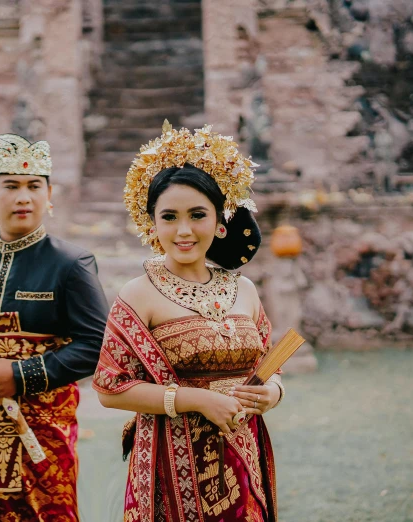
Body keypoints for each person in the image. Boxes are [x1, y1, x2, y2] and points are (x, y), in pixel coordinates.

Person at [93, 122, 285, 522]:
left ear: (220, 222)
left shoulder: (245, 289)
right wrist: (197, 400)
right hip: (170, 468)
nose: (184, 230)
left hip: (243, 455)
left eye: (198, 215)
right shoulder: (138, 293)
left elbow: (270, 367)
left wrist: (274, 394)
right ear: (153, 225)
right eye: (170, 217)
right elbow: (110, 389)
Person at [0, 133, 109, 521]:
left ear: (49, 195)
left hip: (42, 436)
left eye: (33, 186)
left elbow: (96, 345)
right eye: (10, 186)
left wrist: (20, 375)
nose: (23, 197)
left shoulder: (71, 265)